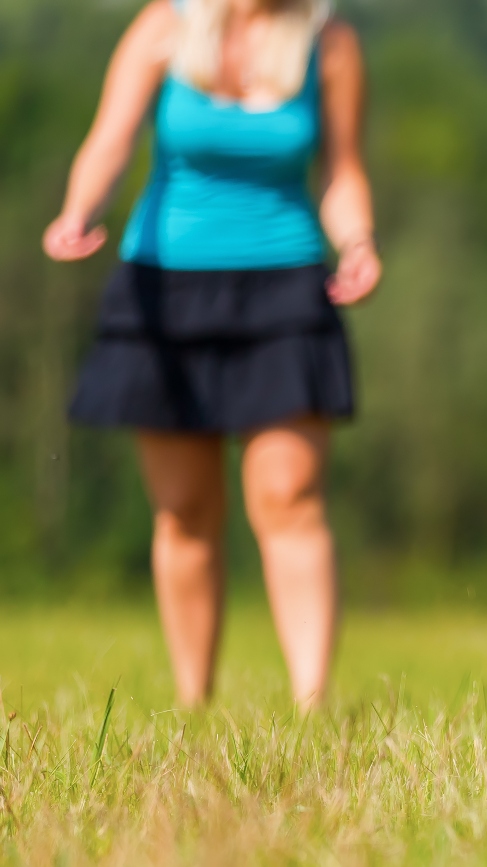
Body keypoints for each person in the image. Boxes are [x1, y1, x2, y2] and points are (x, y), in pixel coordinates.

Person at [43, 0, 381, 708]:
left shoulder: (331, 44)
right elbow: (110, 139)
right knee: (186, 509)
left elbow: (343, 172)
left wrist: (358, 243)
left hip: (286, 289)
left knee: (289, 496)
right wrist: (80, 209)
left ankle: (311, 703)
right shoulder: (162, 27)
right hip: (165, 290)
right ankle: (194, 700)